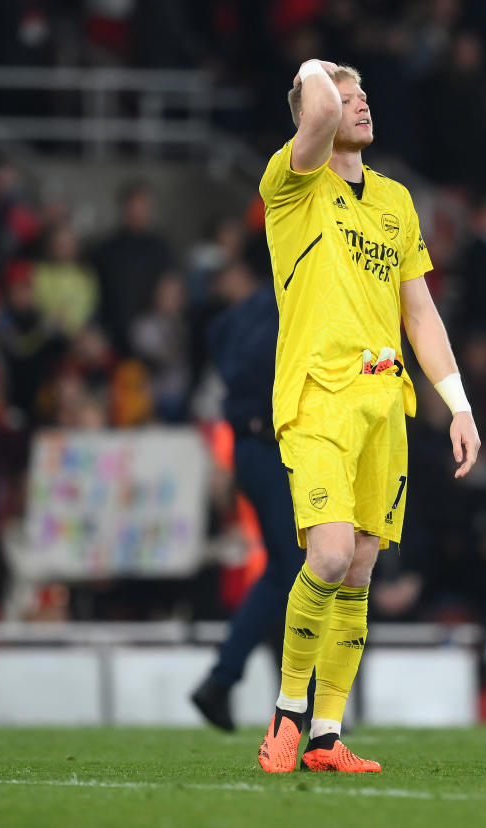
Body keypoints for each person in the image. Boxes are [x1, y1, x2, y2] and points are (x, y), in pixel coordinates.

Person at [255, 59, 480, 774]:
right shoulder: (291, 184)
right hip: (318, 396)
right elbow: (315, 109)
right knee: (325, 554)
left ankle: (325, 736)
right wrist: (313, 71)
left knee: (356, 571)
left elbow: (421, 311)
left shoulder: (395, 202)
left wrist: (459, 406)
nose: (359, 106)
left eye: (365, 95)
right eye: (345, 97)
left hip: (386, 406)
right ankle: (287, 714)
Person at [189, 261, 307, 732]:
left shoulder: (235, 319)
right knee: (298, 569)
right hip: (271, 444)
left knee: (287, 569)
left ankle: (223, 681)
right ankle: (301, 702)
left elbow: (223, 352)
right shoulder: (280, 306)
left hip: (253, 445)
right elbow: (261, 367)